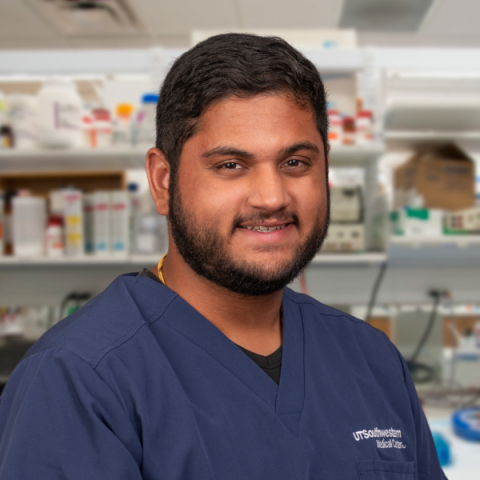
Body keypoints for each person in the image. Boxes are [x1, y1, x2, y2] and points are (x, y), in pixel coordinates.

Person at [0, 34, 446, 479]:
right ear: (162, 181)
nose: (272, 197)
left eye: (295, 162)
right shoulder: (78, 380)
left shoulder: (372, 359)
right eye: (231, 165)